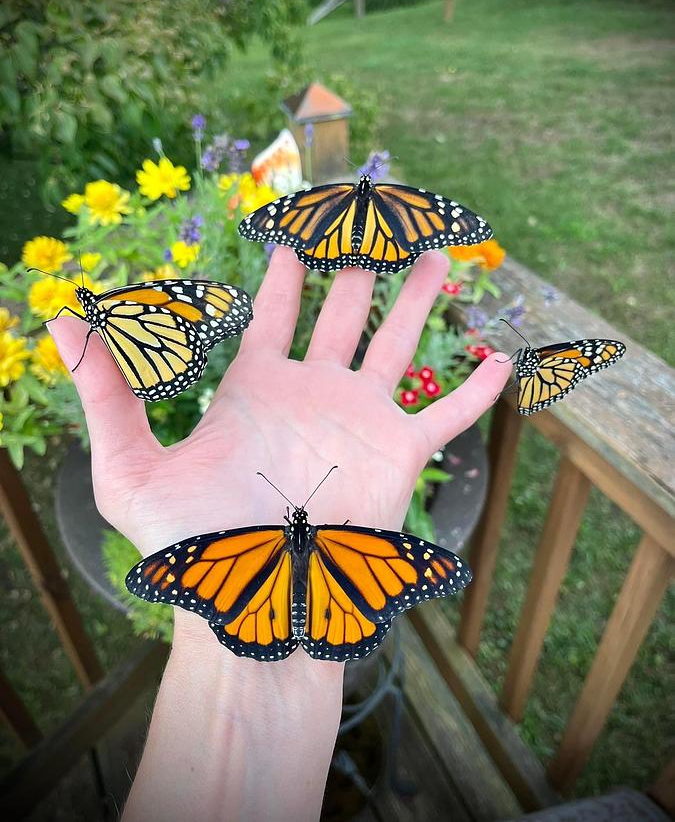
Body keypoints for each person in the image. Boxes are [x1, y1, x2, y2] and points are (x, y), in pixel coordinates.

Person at [49, 247, 511, 822]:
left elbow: (205, 573)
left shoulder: (236, 550)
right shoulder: (346, 544)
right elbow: (391, 567)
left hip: (256, 604)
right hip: (331, 601)